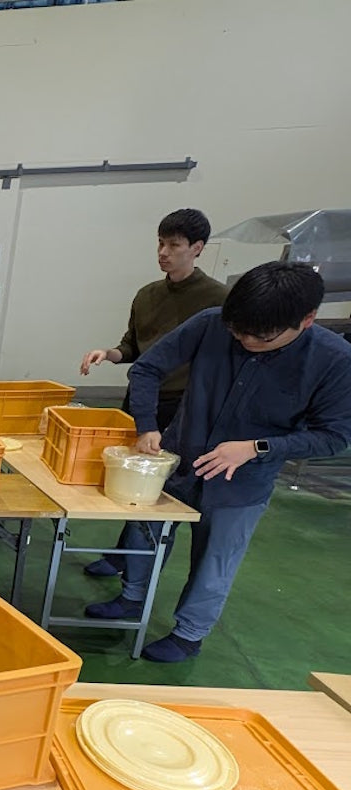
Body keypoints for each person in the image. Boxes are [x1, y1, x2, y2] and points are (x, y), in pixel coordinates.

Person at [85, 262, 351, 662]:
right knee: (145, 532)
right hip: (176, 460)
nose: (245, 341)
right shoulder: (211, 323)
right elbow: (147, 368)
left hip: (242, 482)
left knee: (215, 558)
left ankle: (189, 634)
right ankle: (131, 597)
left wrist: (256, 447)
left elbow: (335, 436)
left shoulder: (334, 360)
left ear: (307, 320)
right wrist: (146, 427)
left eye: (259, 337)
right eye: (237, 331)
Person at [78, 209, 227, 577]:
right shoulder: (147, 294)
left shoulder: (218, 301)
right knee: (127, 479)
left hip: (181, 408)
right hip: (142, 399)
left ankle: (134, 575)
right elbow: (133, 347)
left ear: (197, 249)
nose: (163, 252)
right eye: (160, 243)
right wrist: (109, 354)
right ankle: (120, 557)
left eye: (173, 245)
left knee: (156, 489)